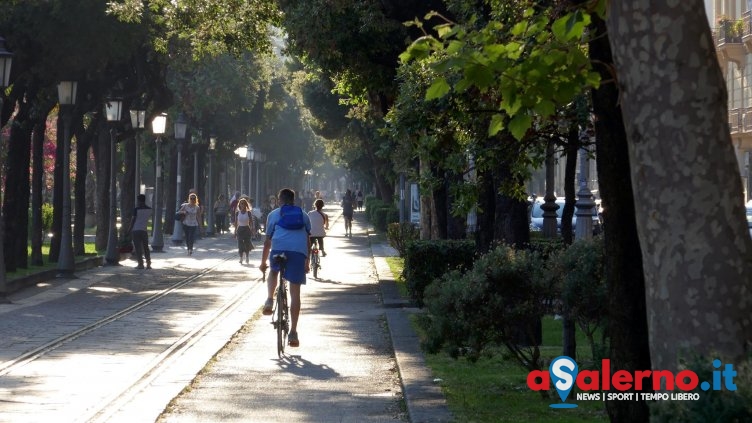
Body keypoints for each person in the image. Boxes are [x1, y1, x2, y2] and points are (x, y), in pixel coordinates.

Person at [259, 188, 311, 348]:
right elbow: (308, 240)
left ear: (280, 200)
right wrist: (306, 261)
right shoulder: (304, 215)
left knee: (274, 271)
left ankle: (269, 299)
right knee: (295, 293)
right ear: (294, 200)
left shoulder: (273, 215)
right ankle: (293, 333)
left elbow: (268, 242)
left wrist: (263, 263)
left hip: (279, 249)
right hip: (298, 252)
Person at [128, 194, 152, 269]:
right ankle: (148, 263)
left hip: (136, 230)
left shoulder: (136, 209)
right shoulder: (149, 209)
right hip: (144, 230)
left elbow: (133, 220)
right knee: (146, 247)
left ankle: (140, 264)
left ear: (138, 200)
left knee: (138, 248)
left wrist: (129, 230)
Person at [235, 198, 254, 264]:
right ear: (239, 205)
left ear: (246, 205)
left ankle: (247, 257)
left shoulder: (248, 213)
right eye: (241, 203)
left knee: (247, 244)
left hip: (246, 229)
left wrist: (252, 229)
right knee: (240, 244)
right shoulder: (237, 213)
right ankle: (241, 258)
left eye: (243, 203)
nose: (242, 205)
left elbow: (251, 222)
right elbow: (236, 223)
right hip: (240, 229)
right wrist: (235, 232)